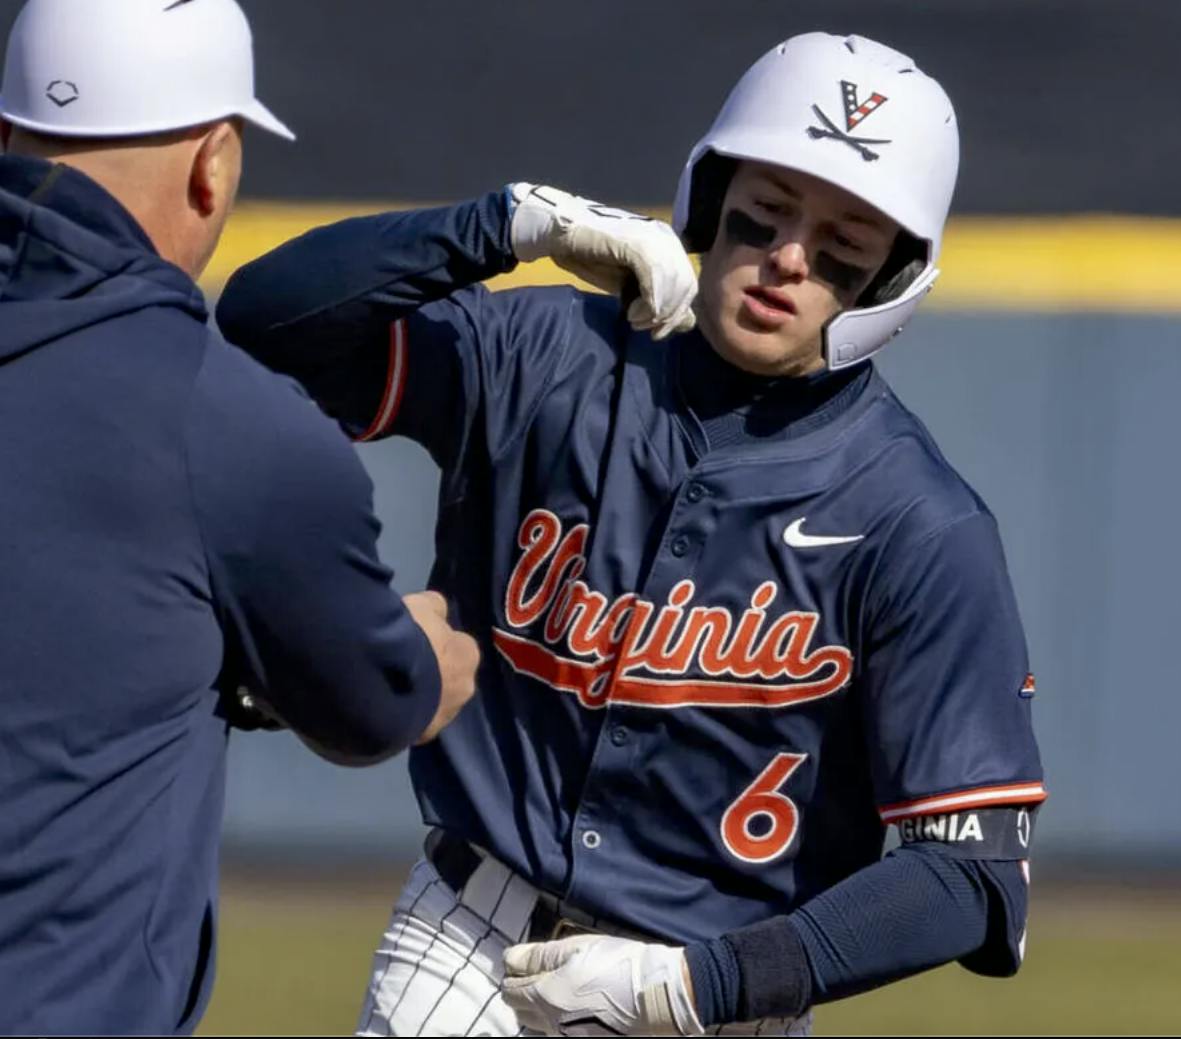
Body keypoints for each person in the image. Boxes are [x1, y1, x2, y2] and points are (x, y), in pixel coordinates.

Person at [218, 31, 1046, 1036]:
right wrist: (505, 222)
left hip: (715, 988)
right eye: (768, 207)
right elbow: (267, 323)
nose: (787, 255)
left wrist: (699, 986)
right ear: (709, 197)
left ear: (888, 279)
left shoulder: (917, 522)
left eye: (841, 240)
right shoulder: (545, 357)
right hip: (468, 933)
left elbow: (966, 878)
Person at [0, 1, 480, 1034]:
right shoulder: (221, 416)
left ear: (6, 136)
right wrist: (422, 663)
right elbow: (372, 702)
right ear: (214, 162)